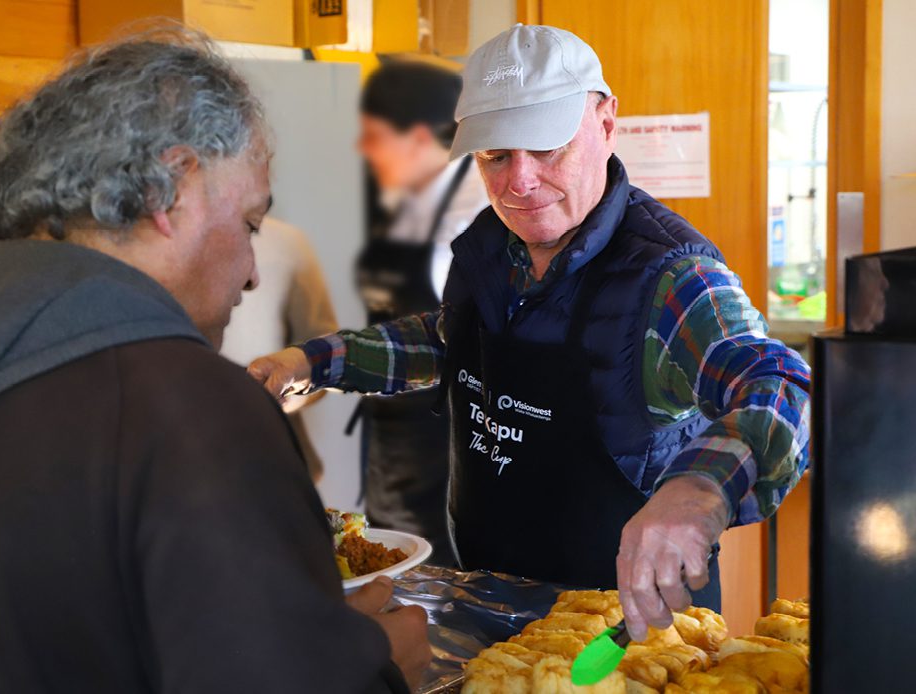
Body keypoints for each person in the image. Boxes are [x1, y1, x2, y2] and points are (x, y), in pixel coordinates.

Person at [250, 24, 812, 642]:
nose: (519, 181)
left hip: (625, 635)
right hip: (485, 599)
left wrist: (700, 490)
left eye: (546, 149)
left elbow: (780, 383)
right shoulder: (494, 249)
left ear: (605, 122)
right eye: (495, 155)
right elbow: (450, 341)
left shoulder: (674, 278)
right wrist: (309, 363)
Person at [0, 29, 429, 693]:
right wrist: (374, 670)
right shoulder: (187, 405)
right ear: (169, 190)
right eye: (251, 225)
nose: (252, 274)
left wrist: (302, 631)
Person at [352, 60, 489, 565]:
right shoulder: (408, 204)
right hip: (394, 453)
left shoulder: (471, 216)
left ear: (416, 138)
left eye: (373, 136)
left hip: (447, 466)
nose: (361, 150)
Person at [221, 216, 337, 482]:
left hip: (275, 456)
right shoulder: (156, 240)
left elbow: (323, 349)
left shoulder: (288, 243)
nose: (252, 281)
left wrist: (290, 393)